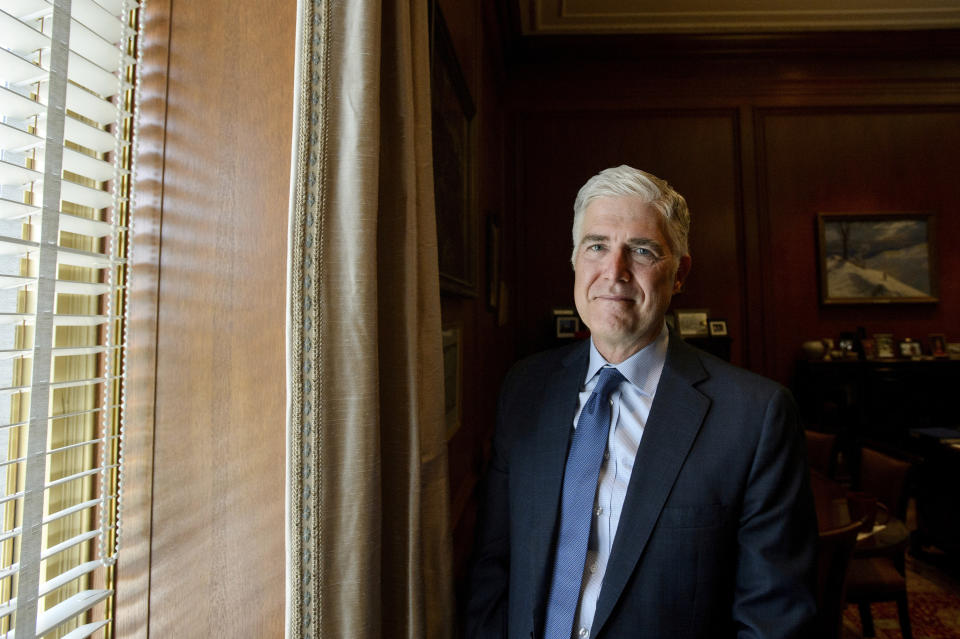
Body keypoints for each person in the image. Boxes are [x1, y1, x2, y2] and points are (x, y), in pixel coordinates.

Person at [464, 165, 817, 639]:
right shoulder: (525, 389)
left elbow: (773, 619)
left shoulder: (755, 417)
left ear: (679, 275)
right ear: (574, 261)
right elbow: (494, 565)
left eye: (642, 250)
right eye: (597, 246)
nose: (615, 272)